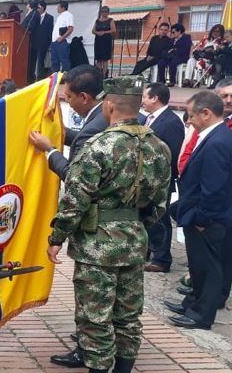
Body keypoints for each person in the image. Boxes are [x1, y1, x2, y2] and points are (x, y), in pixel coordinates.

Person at [48, 76, 171, 373]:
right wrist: (133, 227)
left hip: (96, 248)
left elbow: (76, 199)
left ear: (110, 104)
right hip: (134, 243)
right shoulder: (159, 147)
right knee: (128, 315)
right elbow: (160, 202)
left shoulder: (99, 146)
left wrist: (57, 237)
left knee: (95, 317)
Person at [165, 91, 232, 330]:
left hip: (207, 218)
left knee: (209, 268)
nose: (189, 120)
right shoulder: (213, 135)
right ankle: (192, 302)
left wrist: (203, 218)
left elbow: (214, 187)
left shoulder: (218, 141)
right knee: (197, 264)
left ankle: (201, 315)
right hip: (198, 213)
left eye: (192, 115)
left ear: (206, 113)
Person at [30, 65, 108, 181]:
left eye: (69, 96)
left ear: (84, 97)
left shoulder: (93, 128)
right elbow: (81, 139)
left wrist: (50, 149)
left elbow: (72, 178)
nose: (66, 100)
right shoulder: (104, 113)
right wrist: (58, 130)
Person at [139, 83, 184, 274]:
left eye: (145, 97)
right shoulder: (148, 119)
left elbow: (173, 155)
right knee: (146, 217)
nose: (142, 100)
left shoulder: (171, 122)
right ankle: (149, 250)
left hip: (161, 182)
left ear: (154, 98)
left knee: (160, 219)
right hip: (145, 181)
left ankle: (163, 258)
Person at [52, 1, 75, 73]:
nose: (57, 9)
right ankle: (54, 76)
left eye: (58, 7)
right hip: (55, 41)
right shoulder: (60, 16)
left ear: (63, 8)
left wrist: (62, 37)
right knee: (54, 60)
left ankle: (66, 77)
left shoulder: (68, 15)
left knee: (64, 59)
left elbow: (70, 28)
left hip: (62, 41)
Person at [33, 1, 54, 80]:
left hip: (44, 42)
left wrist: (49, 42)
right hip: (35, 41)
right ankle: (33, 75)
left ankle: (40, 76)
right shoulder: (35, 16)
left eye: (38, 7)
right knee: (34, 59)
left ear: (42, 8)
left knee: (41, 59)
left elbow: (50, 30)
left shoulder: (49, 17)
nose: (37, 9)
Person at [93, 6, 116, 78]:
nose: (104, 13)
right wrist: (98, 33)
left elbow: (114, 30)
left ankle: (104, 74)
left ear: (108, 12)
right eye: (102, 12)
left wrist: (105, 32)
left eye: (105, 12)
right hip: (98, 40)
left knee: (105, 59)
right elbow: (93, 31)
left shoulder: (110, 20)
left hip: (106, 40)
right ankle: (99, 73)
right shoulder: (97, 21)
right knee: (98, 59)